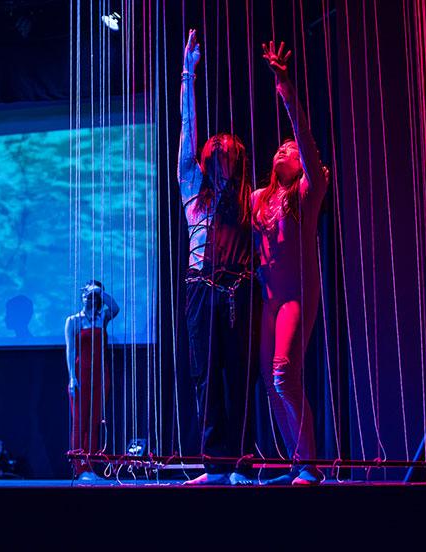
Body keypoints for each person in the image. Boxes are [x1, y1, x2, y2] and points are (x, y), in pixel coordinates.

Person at [179, 29, 257, 486]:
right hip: (199, 290)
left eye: (229, 152)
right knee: (206, 376)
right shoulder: (193, 191)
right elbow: (188, 131)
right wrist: (188, 74)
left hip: (237, 290)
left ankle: (242, 464)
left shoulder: (251, 200)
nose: (221, 154)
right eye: (217, 151)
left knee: (240, 377)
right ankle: (213, 464)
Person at [252, 41, 331, 485]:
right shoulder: (260, 199)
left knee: (284, 375)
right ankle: (297, 463)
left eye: (291, 149)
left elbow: (304, 136)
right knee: (270, 381)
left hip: (296, 295)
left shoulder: (307, 192)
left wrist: (285, 88)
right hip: (267, 299)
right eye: (278, 149)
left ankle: (309, 465)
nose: (284, 151)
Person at [64, 280, 119, 481]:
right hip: (81, 373)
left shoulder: (101, 317)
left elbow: (115, 307)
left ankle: (93, 467)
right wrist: (71, 377)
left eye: (92, 294)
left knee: (95, 421)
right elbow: (70, 351)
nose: (88, 297)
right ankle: (80, 468)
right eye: (86, 293)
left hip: (100, 374)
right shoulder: (73, 320)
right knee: (80, 421)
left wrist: (99, 291)